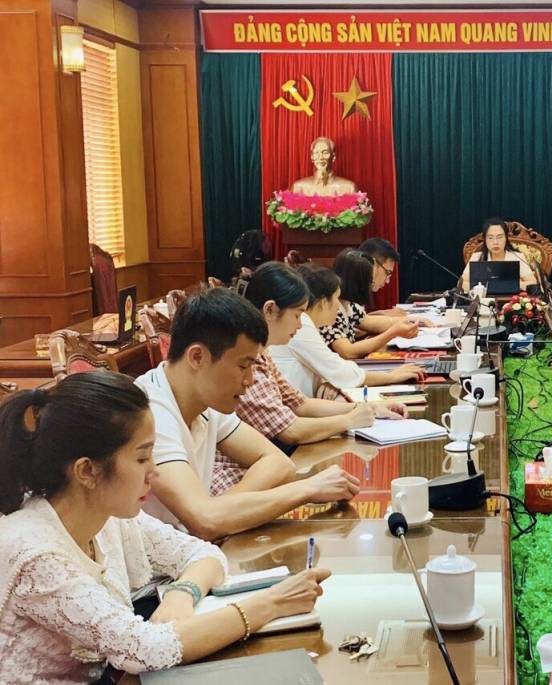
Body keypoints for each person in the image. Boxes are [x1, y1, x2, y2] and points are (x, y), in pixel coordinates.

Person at [0, 372, 330, 683]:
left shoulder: (107, 515)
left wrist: (182, 594)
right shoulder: (36, 553)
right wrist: (272, 603)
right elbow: (143, 650)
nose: (154, 472)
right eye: (141, 458)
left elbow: (203, 553)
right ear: (87, 471)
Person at [135, 287, 361, 540]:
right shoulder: (149, 413)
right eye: (243, 366)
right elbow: (205, 521)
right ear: (197, 357)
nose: (250, 380)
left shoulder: (204, 399)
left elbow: (280, 464)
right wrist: (307, 489)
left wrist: (221, 510)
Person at [271, 263, 425, 396]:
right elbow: (340, 370)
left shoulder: (307, 322)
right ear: (324, 302)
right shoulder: (302, 325)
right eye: (335, 298)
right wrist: (392, 376)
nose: (338, 306)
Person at [321, 249, 420, 359]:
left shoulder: (349, 303)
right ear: (356, 283)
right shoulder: (330, 307)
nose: (371, 286)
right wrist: (392, 333)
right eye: (369, 281)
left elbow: (369, 322)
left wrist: (411, 320)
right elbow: (347, 352)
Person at [458, 217, 537, 291]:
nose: (495, 242)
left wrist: (516, 284)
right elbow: (461, 283)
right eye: (490, 238)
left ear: (506, 238)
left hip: (510, 299)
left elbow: (533, 283)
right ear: (485, 239)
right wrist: (483, 286)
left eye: (500, 237)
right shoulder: (477, 257)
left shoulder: (517, 257)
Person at [290, 136, 355, 196]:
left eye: (325, 153)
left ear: (333, 157)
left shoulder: (349, 187)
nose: (320, 158)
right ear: (312, 157)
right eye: (316, 153)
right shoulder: (298, 186)